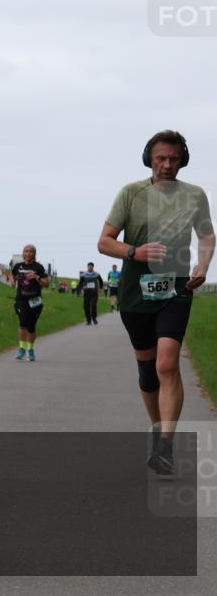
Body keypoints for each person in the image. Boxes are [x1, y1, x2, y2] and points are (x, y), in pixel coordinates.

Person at [97, 130, 213, 475]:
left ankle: (165, 443)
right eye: (161, 158)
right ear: (150, 158)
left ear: (183, 161)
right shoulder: (131, 194)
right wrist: (134, 251)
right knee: (148, 372)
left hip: (177, 286)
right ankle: (159, 430)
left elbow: (207, 235)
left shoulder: (194, 196)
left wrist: (203, 265)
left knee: (166, 364)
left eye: (174, 159)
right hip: (136, 289)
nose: (167, 165)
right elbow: (104, 242)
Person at [10, 245, 50, 361]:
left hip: (35, 300)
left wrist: (37, 277)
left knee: (31, 326)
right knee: (23, 323)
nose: (28, 253)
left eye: (31, 251)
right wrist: (13, 281)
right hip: (21, 299)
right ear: (23, 253)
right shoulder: (18, 266)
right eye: (26, 251)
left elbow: (46, 283)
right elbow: (13, 276)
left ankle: (30, 350)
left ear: (34, 254)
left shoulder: (39, 267)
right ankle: (22, 349)